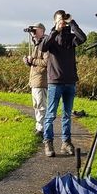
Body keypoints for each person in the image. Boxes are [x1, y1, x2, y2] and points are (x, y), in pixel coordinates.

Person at [41, 9, 86, 157]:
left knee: (67, 115)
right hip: (55, 82)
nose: (62, 21)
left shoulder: (71, 38)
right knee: (51, 114)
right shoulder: (50, 38)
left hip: (70, 81)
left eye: (64, 19)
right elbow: (43, 47)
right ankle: (48, 142)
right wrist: (56, 30)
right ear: (54, 21)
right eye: (60, 19)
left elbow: (83, 38)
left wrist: (72, 22)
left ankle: (66, 143)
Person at [22, 23, 49, 139]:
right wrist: (28, 61)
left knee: (40, 105)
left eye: (35, 31)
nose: (32, 33)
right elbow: (35, 62)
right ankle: (39, 127)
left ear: (42, 31)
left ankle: (42, 129)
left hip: (41, 80)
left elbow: (47, 62)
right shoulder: (36, 44)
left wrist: (32, 61)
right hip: (34, 80)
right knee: (36, 105)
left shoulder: (46, 44)